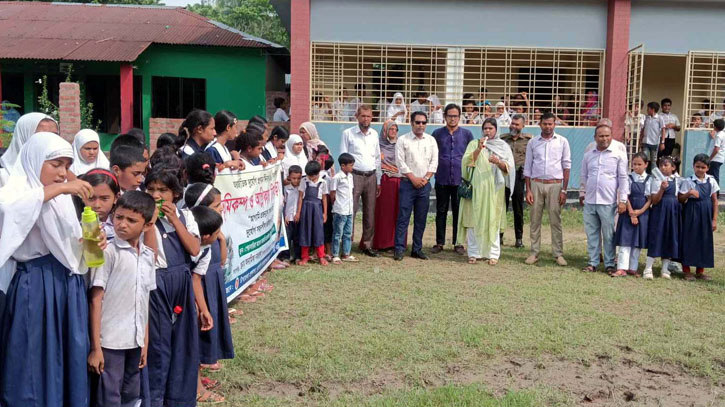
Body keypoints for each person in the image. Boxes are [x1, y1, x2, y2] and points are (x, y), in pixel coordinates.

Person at [0, 132, 98, 407]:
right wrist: (61, 188)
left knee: (69, 355)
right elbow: (8, 212)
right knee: (33, 360)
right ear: (35, 160)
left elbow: (70, 246)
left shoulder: (62, 200)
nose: (62, 172)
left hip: (66, 285)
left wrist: (89, 241)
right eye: (55, 164)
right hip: (37, 286)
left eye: (67, 166)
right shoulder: (14, 191)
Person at [144, 166, 209, 407]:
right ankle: (156, 398)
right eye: (151, 190)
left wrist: (173, 218)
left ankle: (180, 398)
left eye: (163, 190)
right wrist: (151, 222)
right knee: (159, 345)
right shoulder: (143, 218)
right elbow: (150, 256)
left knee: (183, 342)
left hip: (181, 282)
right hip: (158, 283)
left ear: (175, 194)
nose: (156, 195)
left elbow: (193, 248)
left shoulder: (185, 217)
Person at [88, 191, 156, 407]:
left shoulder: (147, 256)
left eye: (131, 220)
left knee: (131, 393)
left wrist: (144, 342)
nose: (123, 224)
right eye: (119, 217)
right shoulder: (108, 252)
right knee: (109, 395)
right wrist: (96, 347)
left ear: (146, 225)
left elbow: (144, 300)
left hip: (135, 340)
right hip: (110, 342)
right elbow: (96, 299)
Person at [457, 118, 514, 265]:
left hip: (495, 190)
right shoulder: (474, 143)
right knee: (473, 219)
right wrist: (478, 149)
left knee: (492, 220)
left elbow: (509, 167)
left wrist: (498, 162)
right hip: (476, 188)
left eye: (490, 128)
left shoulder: (503, 146)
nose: (487, 131)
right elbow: (466, 162)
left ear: (496, 130)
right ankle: (474, 253)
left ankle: (493, 254)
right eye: (485, 128)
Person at [187, 202, 228, 403]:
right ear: (205, 237)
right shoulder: (183, 248)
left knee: (193, 344)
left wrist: (203, 309)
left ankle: (196, 385)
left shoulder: (205, 250)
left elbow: (196, 280)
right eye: (217, 232)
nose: (219, 235)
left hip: (190, 303)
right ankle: (194, 389)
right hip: (173, 303)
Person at [578, 124, 629, 274]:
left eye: (607, 135)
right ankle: (592, 262)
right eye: (601, 136)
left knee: (608, 234)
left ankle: (609, 263)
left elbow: (623, 178)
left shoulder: (618, 154)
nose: (604, 139)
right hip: (590, 200)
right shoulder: (589, 154)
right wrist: (582, 193)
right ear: (595, 138)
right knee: (592, 233)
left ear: (611, 136)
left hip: (608, 201)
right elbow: (584, 175)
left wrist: (623, 200)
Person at [523, 112, 571, 266]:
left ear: (554, 124)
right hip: (536, 184)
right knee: (535, 220)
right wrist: (528, 190)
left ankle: (558, 254)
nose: (548, 127)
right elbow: (528, 167)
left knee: (555, 220)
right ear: (540, 124)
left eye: (551, 124)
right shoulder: (533, 142)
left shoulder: (562, 142)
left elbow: (566, 166)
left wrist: (564, 190)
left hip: (555, 185)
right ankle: (534, 252)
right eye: (545, 124)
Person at [393, 112, 439, 261]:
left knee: (421, 218)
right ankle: (399, 249)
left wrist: (425, 179)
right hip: (407, 183)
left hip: (425, 185)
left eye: (423, 123)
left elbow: (434, 162)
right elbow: (400, 162)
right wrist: (413, 178)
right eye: (418, 122)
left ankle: (417, 249)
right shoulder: (403, 140)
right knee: (403, 217)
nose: (421, 125)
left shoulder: (431, 140)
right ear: (411, 123)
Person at [431, 104, 473, 255]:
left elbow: (471, 156)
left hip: (459, 180)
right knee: (440, 211)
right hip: (442, 178)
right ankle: (439, 242)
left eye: (455, 116)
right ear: (445, 117)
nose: (453, 118)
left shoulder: (467, 134)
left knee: (458, 212)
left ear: (459, 117)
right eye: (450, 116)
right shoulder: (437, 134)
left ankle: (458, 243)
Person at [340, 105, 381, 257]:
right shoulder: (348, 133)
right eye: (363, 116)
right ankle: (347, 245)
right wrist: (346, 178)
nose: (366, 119)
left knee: (370, 212)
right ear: (357, 116)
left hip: (371, 176)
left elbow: (377, 158)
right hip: (354, 176)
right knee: (350, 210)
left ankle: (367, 244)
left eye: (369, 116)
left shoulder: (374, 134)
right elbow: (343, 156)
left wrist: (378, 180)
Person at [678, 154, 718, 281]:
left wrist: (714, 219)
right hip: (691, 213)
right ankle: (686, 270)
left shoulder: (711, 180)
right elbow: (680, 198)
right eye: (697, 167)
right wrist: (689, 193)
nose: (700, 169)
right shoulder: (688, 181)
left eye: (703, 167)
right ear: (693, 166)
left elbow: (715, 201)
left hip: (706, 214)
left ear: (708, 168)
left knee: (704, 240)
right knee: (689, 239)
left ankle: (700, 270)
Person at [613, 153, 651, 277]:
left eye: (640, 164)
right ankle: (622, 267)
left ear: (646, 165)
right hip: (628, 213)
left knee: (636, 242)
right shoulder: (628, 178)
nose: (637, 167)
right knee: (625, 240)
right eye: (634, 164)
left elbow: (650, 199)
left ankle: (633, 268)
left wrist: (639, 212)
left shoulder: (650, 179)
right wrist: (631, 213)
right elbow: (625, 195)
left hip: (643, 213)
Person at [643, 156, 680, 280]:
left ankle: (665, 269)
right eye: (661, 166)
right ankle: (648, 268)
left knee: (669, 237)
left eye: (666, 165)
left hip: (672, 212)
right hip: (659, 211)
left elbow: (679, 197)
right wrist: (661, 189)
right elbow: (654, 200)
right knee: (656, 236)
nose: (663, 168)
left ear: (673, 167)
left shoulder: (677, 180)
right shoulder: (656, 180)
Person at [0, 112, 57, 187]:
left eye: (54, 135)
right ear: (24, 136)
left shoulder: (60, 173)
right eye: (41, 135)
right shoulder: (4, 177)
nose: (50, 140)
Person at [501, 114, 532, 248]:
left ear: (523, 126)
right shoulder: (503, 139)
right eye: (512, 123)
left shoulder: (528, 140)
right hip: (504, 174)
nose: (514, 126)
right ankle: (499, 236)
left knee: (518, 208)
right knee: (501, 207)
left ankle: (518, 238)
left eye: (517, 124)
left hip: (519, 176)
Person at [373, 120, 403, 251]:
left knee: (398, 211)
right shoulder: (378, 146)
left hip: (399, 180)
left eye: (395, 129)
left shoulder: (401, 145)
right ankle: (381, 242)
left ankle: (395, 242)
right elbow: (376, 162)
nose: (393, 131)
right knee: (384, 212)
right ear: (385, 130)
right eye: (391, 129)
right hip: (384, 180)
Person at [295, 161, 329, 265]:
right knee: (305, 232)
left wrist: (325, 213)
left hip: (317, 209)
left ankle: (321, 256)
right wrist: (298, 212)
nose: (311, 178)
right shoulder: (304, 181)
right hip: (306, 208)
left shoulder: (323, 182)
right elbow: (300, 197)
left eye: (313, 176)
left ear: (318, 173)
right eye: (309, 176)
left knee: (318, 232)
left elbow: (324, 198)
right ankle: (304, 257)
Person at [77, 169, 121, 242]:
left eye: (104, 198)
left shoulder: (121, 226)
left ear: (116, 198)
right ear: (82, 197)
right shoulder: (75, 226)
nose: (97, 205)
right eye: (91, 198)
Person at [330, 153, 358, 264]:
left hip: (349, 209)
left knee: (348, 233)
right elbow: (333, 193)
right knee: (337, 233)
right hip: (340, 210)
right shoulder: (337, 177)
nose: (352, 167)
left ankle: (346, 253)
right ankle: (335, 254)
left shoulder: (350, 176)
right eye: (350, 165)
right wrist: (336, 204)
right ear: (343, 166)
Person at [284, 165, 303, 262]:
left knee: (297, 238)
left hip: (298, 218)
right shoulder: (286, 189)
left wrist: (298, 214)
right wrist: (285, 216)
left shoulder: (302, 189)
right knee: (287, 237)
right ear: (289, 177)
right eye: (294, 178)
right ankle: (286, 257)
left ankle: (297, 256)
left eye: (299, 178)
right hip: (288, 218)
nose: (296, 181)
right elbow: (284, 204)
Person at [640, 102, 666, 173]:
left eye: (648, 108)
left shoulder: (659, 118)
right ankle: (643, 174)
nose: (647, 110)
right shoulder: (646, 118)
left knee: (653, 161)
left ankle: (653, 176)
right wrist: (640, 139)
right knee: (644, 159)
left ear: (653, 109)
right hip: (645, 142)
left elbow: (663, 130)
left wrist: (662, 142)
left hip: (654, 143)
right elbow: (643, 129)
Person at [707, 119, 725, 185]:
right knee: (712, 175)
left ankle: (716, 193)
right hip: (720, 158)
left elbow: (716, 149)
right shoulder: (722, 134)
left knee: (714, 176)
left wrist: (710, 159)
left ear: (715, 127)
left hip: (716, 159)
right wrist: (713, 137)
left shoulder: (719, 136)